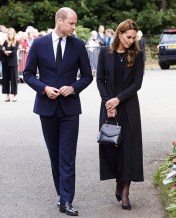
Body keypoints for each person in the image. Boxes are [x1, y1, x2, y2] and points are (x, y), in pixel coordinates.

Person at [23, 7, 93, 216]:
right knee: (55, 156)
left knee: (67, 156)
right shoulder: (39, 43)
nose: (74, 27)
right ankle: (61, 194)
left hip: (70, 109)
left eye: (75, 23)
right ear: (60, 21)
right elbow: (28, 74)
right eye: (71, 23)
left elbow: (87, 76)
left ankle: (66, 200)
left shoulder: (78, 45)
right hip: (47, 108)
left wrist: (73, 87)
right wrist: (43, 88)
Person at [96, 19, 144, 210]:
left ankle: (125, 192)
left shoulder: (137, 54)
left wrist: (118, 100)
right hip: (108, 105)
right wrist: (109, 102)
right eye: (128, 37)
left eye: (133, 38)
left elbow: (137, 84)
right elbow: (100, 79)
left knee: (129, 150)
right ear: (119, 34)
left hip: (129, 105)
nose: (130, 41)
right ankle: (118, 181)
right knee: (112, 147)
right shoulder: (104, 53)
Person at [2, 28, 19, 102]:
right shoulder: (5, 42)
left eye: (11, 34)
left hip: (13, 63)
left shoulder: (16, 42)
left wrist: (9, 52)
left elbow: (14, 52)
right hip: (5, 63)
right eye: (8, 34)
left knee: (13, 79)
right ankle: (7, 95)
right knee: (5, 80)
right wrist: (4, 52)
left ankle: (14, 95)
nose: (9, 35)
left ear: (13, 34)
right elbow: (2, 50)